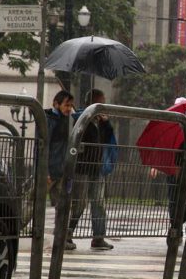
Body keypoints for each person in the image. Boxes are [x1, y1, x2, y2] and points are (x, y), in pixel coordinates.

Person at [68, 89, 116, 250]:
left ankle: (98, 237)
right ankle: (67, 233)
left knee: (98, 202)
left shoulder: (100, 122)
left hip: (96, 167)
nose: (104, 105)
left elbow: (107, 137)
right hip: (82, 167)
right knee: (79, 203)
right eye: (101, 101)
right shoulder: (82, 118)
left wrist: (106, 122)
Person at [47, 90, 75, 249]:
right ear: (56, 104)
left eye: (71, 105)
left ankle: (60, 239)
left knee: (63, 207)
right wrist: (45, 170)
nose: (69, 108)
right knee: (32, 203)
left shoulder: (67, 120)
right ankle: (12, 230)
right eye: (66, 105)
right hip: (50, 170)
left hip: (61, 170)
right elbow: (42, 146)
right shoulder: (50, 120)